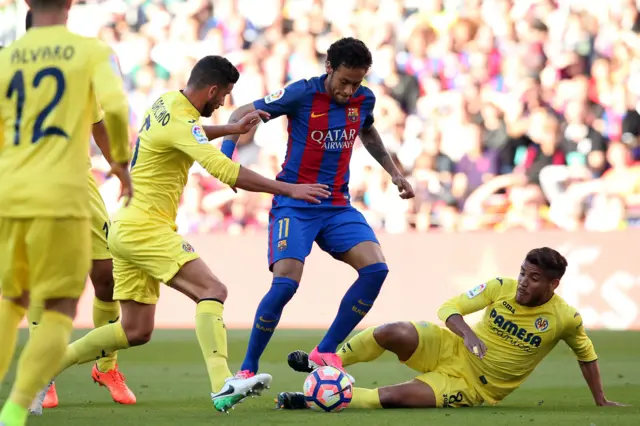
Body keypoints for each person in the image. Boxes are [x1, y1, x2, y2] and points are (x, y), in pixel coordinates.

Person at [37, 54, 331, 414]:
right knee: (212, 291)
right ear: (211, 89)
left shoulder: (167, 102)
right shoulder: (180, 117)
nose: (223, 103)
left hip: (126, 227)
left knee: (135, 330)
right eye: (223, 96)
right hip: (145, 227)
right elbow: (222, 168)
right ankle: (223, 383)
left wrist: (229, 130)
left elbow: (187, 133)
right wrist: (289, 190)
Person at [222, 37, 415, 380]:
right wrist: (223, 161)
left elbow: (367, 133)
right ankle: (247, 370)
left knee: (376, 270)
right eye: (344, 81)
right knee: (285, 285)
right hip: (295, 203)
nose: (349, 90)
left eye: (357, 82)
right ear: (329, 67)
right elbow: (239, 114)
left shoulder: (363, 99)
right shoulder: (301, 94)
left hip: (338, 206)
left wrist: (395, 173)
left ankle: (325, 350)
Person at [278, 247, 628, 410]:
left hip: (476, 386)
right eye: (522, 272)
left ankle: (309, 399)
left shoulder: (565, 318)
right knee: (391, 330)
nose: (523, 282)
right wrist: (468, 333)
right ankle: (325, 364)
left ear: (553, 285)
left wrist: (600, 400)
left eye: (533, 278)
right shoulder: (500, 286)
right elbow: (449, 308)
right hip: (452, 347)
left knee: (394, 398)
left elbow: (587, 355)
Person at [0, 0, 132, 424]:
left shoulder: (6, 63)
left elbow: (98, 118)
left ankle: (104, 367)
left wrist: (116, 167)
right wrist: (125, 164)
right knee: (56, 302)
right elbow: (114, 108)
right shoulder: (89, 52)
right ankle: (30, 393)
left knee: (100, 276)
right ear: (71, 5)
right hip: (60, 189)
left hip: (31, 189)